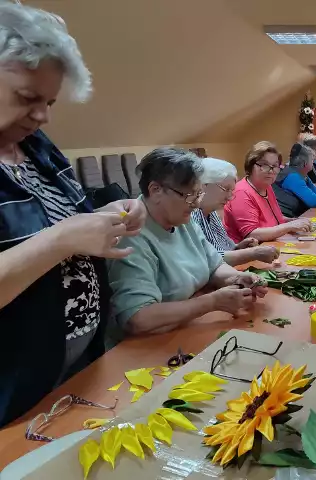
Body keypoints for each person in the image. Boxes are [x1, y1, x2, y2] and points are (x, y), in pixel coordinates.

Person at [0, 3, 148, 427]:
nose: (43, 114)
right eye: (27, 98)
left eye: (49, 101)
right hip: (12, 396)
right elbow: (58, 236)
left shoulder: (36, 146)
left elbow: (63, 219)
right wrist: (63, 237)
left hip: (75, 372)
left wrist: (103, 216)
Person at [108, 148, 268, 335]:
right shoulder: (131, 234)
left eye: (199, 194)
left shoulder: (182, 218)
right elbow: (138, 318)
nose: (197, 204)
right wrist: (211, 302)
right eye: (189, 196)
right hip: (147, 346)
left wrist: (236, 278)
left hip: (187, 328)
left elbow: (213, 265)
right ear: (156, 190)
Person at [191, 157, 280, 267]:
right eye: (226, 189)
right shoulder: (190, 216)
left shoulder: (211, 212)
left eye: (231, 191)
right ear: (204, 185)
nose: (229, 197)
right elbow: (206, 260)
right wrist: (251, 253)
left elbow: (221, 249)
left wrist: (238, 247)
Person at [224, 141, 312, 243]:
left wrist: (292, 221)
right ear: (250, 165)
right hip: (249, 253)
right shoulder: (241, 192)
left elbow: (271, 218)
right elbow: (251, 234)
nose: (271, 171)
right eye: (264, 165)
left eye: (275, 166)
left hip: (270, 245)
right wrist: (289, 226)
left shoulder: (267, 186)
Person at [273, 143, 316, 217]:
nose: (313, 163)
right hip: (283, 218)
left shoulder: (296, 173)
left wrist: (307, 178)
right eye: (312, 160)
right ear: (305, 163)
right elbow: (315, 202)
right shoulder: (293, 177)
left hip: (290, 216)